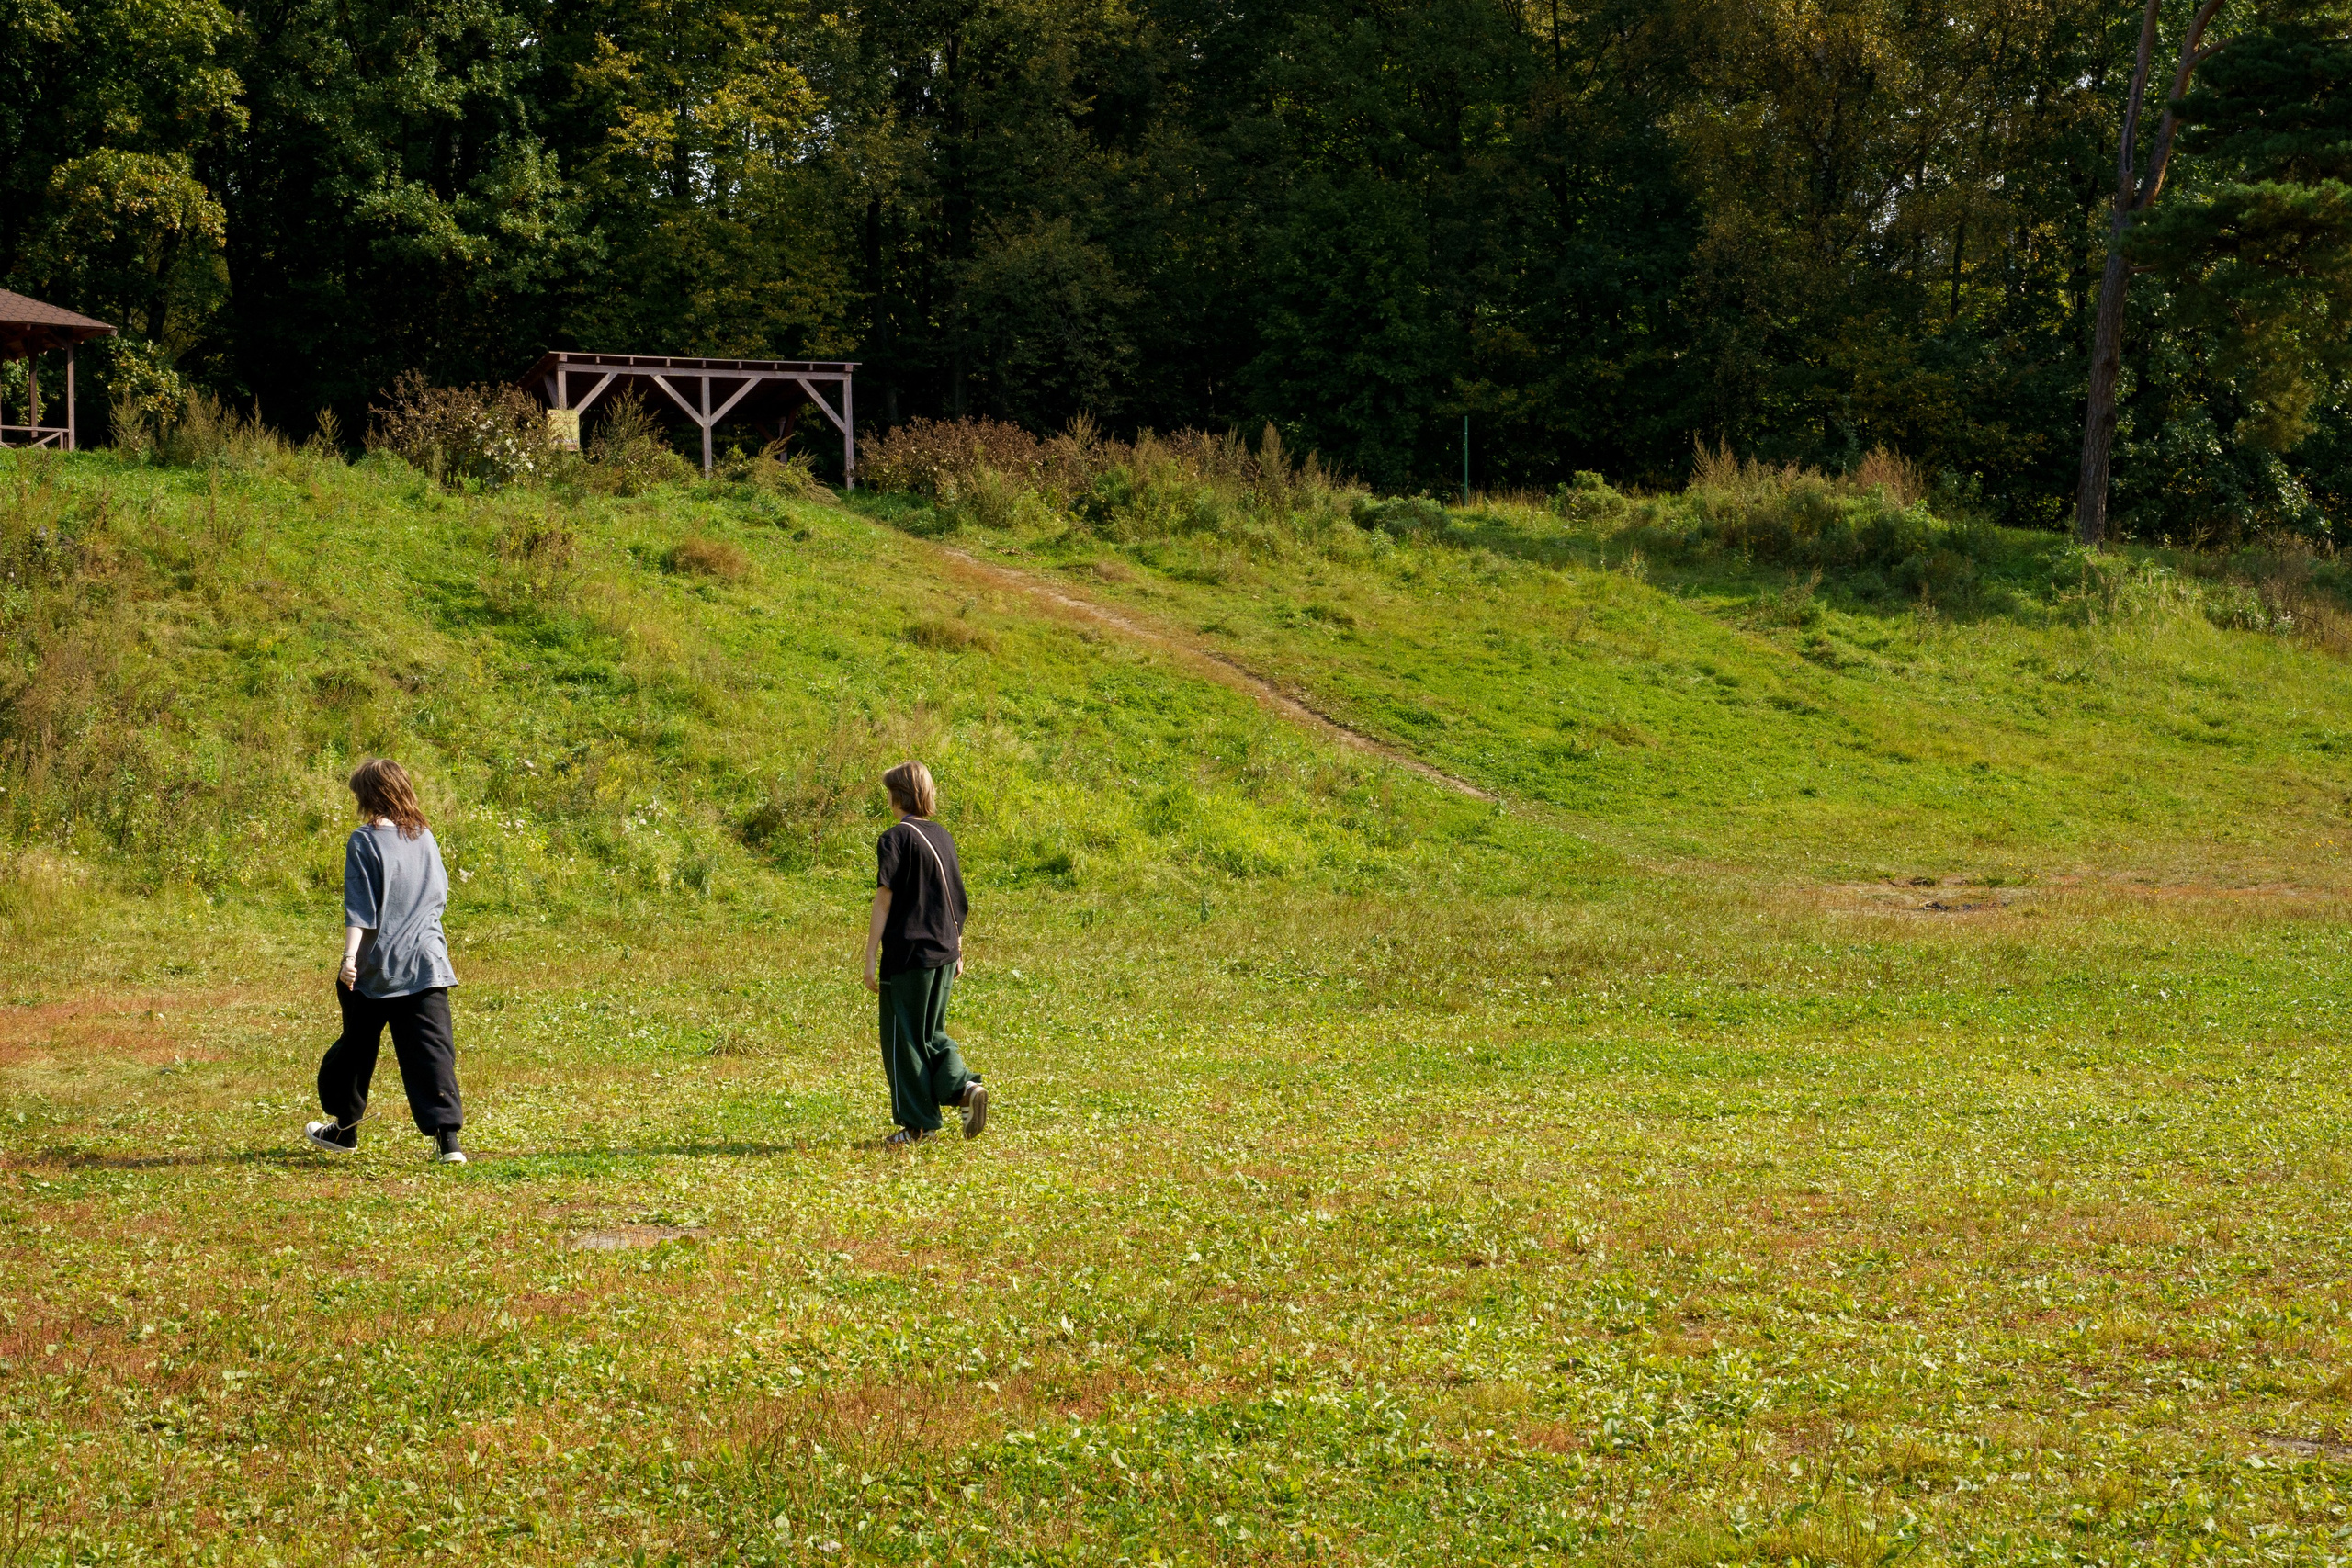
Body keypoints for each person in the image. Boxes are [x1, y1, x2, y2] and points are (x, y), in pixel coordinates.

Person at [304, 759, 468, 1164]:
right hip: (427, 963)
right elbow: (439, 895)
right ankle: (449, 1145)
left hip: (375, 967)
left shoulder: (364, 841)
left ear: (369, 796)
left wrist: (348, 959)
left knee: (355, 1049)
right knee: (432, 1052)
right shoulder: (425, 837)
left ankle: (344, 1130)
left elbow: (361, 909)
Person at [863, 760, 987, 1147]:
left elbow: (885, 900)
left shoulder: (895, 838)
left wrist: (869, 956)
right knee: (931, 1032)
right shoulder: (942, 836)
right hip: (945, 952)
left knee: (904, 1040)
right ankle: (963, 1086)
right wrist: (958, 947)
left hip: (909, 956)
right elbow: (955, 897)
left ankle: (918, 1127)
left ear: (897, 796)